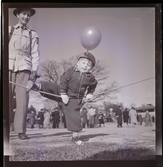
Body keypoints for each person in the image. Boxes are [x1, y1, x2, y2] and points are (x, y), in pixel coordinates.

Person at [31, 52, 97, 144]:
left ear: (91, 68)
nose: (85, 66)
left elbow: (93, 86)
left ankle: (75, 137)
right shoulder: (71, 71)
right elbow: (63, 81)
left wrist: (90, 93)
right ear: (77, 63)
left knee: (74, 116)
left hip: (74, 99)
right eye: (83, 63)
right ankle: (37, 86)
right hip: (64, 91)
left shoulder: (90, 77)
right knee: (53, 87)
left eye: (89, 65)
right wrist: (63, 93)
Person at [9, 8, 40, 140]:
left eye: (28, 15)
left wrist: (33, 73)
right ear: (17, 15)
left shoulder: (33, 34)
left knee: (22, 100)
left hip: (25, 67)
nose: (26, 17)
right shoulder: (9, 30)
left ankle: (21, 131)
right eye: (24, 14)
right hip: (8, 66)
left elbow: (35, 54)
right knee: (6, 98)